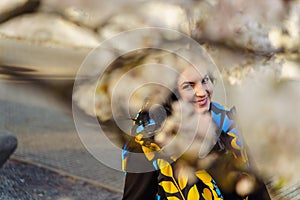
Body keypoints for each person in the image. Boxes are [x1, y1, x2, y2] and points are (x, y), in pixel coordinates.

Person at [121, 54, 270, 200]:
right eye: (188, 86)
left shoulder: (227, 122)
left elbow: (256, 186)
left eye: (205, 80)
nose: (201, 92)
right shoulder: (147, 144)